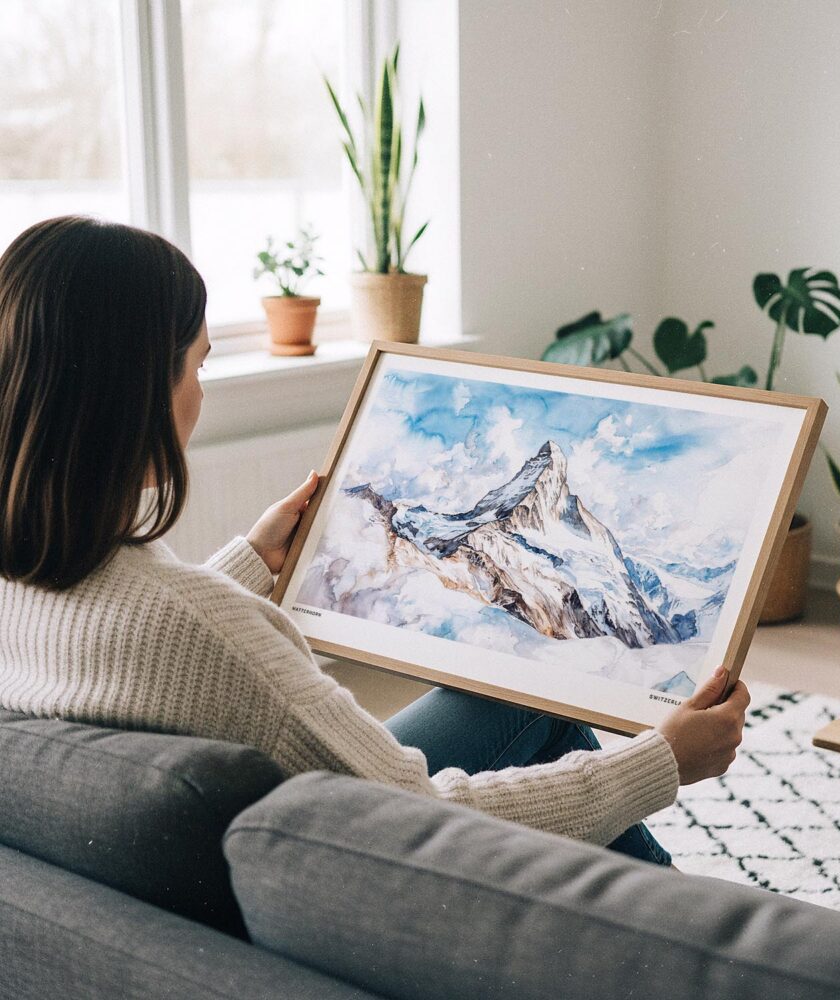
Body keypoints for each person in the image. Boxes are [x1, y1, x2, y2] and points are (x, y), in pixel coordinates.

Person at [0, 216, 749, 866]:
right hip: (356, 867)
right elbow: (417, 817)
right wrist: (659, 761)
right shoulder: (210, 631)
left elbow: (144, 637)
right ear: (136, 393)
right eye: (199, 365)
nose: (202, 391)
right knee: (546, 720)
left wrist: (251, 563)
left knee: (512, 702)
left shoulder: (26, 581)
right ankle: (689, 936)